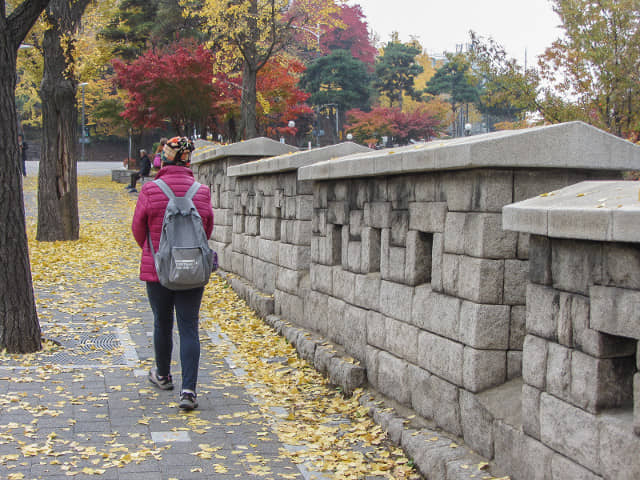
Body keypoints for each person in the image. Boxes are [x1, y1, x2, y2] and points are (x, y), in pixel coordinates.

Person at [131, 136, 213, 410]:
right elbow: (206, 229)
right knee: (189, 326)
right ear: (189, 160)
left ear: (163, 159)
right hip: (191, 269)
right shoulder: (201, 191)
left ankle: (164, 376)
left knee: (162, 322)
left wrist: (157, 251)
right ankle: (189, 390)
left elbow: (138, 231)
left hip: (158, 269)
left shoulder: (151, 190)